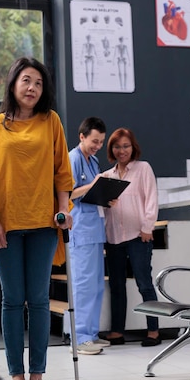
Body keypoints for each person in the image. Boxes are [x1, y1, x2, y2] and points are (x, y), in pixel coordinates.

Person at [0, 56, 73, 380]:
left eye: (39, 83)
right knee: (13, 301)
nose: (32, 88)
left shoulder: (52, 122)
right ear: (13, 84)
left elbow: (62, 172)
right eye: (26, 81)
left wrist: (64, 208)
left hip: (45, 223)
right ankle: (16, 375)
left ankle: (38, 375)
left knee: (39, 300)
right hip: (6, 224)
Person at [102, 128, 161, 347]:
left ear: (132, 146)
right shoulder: (107, 176)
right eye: (117, 147)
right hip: (114, 238)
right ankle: (117, 331)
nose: (121, 150)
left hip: (139, 235)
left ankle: (153, 331)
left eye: (125, 146)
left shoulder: (143, 168)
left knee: (144, 283)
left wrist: (148, 226)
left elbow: (151, 199)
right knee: (116, 285)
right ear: (112, 149)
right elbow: (101, 205)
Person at [68, 116, 109, 355]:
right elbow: (67, 193)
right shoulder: (73, 159)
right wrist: (95, 185)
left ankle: (91, 335)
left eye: (101, 142)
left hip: (95, 229)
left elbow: (94, 190)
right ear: (82, 136)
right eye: (94, 141)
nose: (98, 146)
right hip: (81, 229)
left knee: (95, 286)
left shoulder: (93, 160)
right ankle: (80, 337)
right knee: (83, 286)